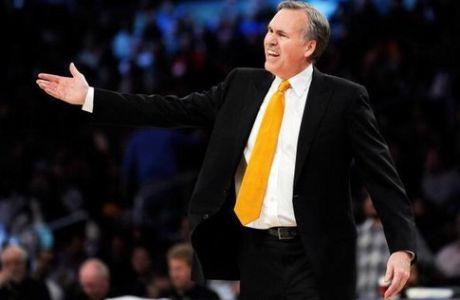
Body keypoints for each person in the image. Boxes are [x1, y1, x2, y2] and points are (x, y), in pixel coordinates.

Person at [36, 1, 417, 299]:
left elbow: (381, 175)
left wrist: (401, 247)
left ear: (309, 46)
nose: (269, 39)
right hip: (255, 250)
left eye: (282, 34)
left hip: (316, 253)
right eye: (269, 30)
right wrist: (90, 97)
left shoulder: (344, 98)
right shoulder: (241, 85)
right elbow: (173, 109)